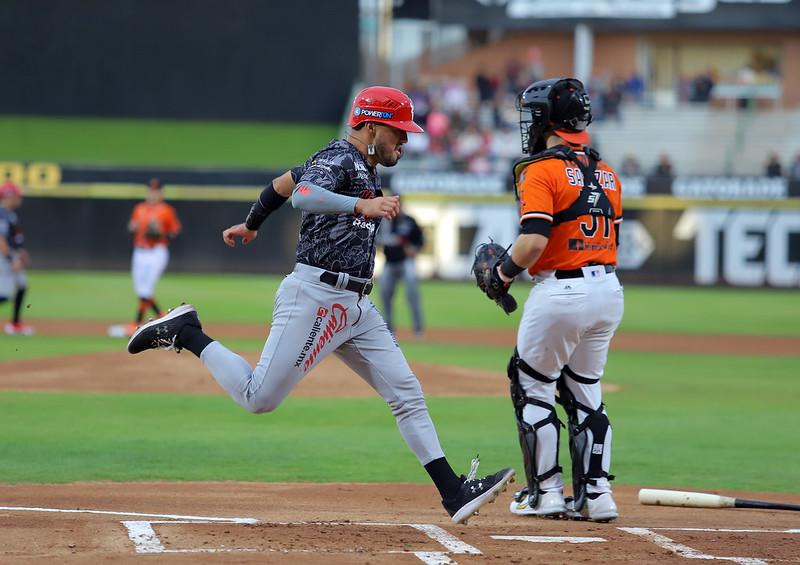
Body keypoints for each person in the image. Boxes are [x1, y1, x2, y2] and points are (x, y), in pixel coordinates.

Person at [126, 86, 515, 524]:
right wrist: (361, 205)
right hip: (317, 297)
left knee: (406, 393)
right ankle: (186, 332)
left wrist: (252, 224)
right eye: (398, 132)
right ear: (370, 126)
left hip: (356, 305)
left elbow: (282, 184)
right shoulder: (341, 158)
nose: (404, 141)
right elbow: (303, 196)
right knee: (259, 398)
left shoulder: (360, 163)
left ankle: (453, 491)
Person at [497, 78, 624, 522]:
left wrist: (502, 272)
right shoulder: (607, 172)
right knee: (586, 390)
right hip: (607, 289)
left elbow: (533, 241)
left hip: (561, 290)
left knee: (532, 384)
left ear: (546, 119)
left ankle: (546, 493)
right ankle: (598, 495)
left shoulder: (541, 169)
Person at [127, 178, 181, 336]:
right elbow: (132, 228)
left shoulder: (166, 210)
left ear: (161, 193)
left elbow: (174, 231)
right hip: (139, 251)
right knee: (140, 288)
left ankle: (137, 322)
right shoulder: (139, 208)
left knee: (146, 288)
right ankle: (161, 316)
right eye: (150, 190)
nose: (153, 193)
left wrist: (161, 234)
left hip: (157, 251)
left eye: (156, 191)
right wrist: (132, 228)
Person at [377, 195, 424, 338]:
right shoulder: (384, 220)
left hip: (406, 262)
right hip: (390, 262)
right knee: (384, 293)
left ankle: (418, 329)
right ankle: (389, 329)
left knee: (412, 293)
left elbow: (420, 239)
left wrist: (414, 248)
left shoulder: (409, 221)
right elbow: (376, 239)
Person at [0, 180, 34, 336]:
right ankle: (15, 324)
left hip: (11, 254)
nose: (20, 199)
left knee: (22, 285)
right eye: (17, 196)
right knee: (5, 295)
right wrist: (10, 258)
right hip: (3, 256)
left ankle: (15, 324)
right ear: (8, 196)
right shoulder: (1, 213)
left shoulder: (9, 214)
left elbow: (12, 238)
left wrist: (19, 253)